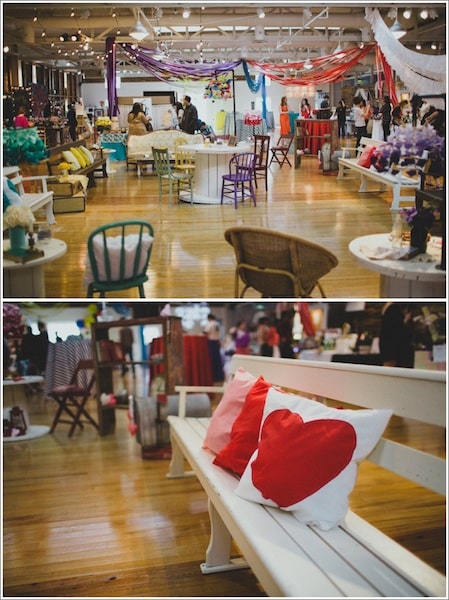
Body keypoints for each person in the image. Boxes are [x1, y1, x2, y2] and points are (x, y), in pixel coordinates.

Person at [379, 303, 414, 368]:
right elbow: (398, 330)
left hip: (387, 348)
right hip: (393, 350)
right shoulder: (394, 309)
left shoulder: (388, 308)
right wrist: (405, 321)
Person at [203, 314, 224, 383]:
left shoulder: (210, 324)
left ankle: (214, 376)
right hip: (217, 342)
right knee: (218, 359)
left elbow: (206, 332)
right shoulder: (217, 324)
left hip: (211, 342)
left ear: (209, 318)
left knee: (212, 359)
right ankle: (220, 376)